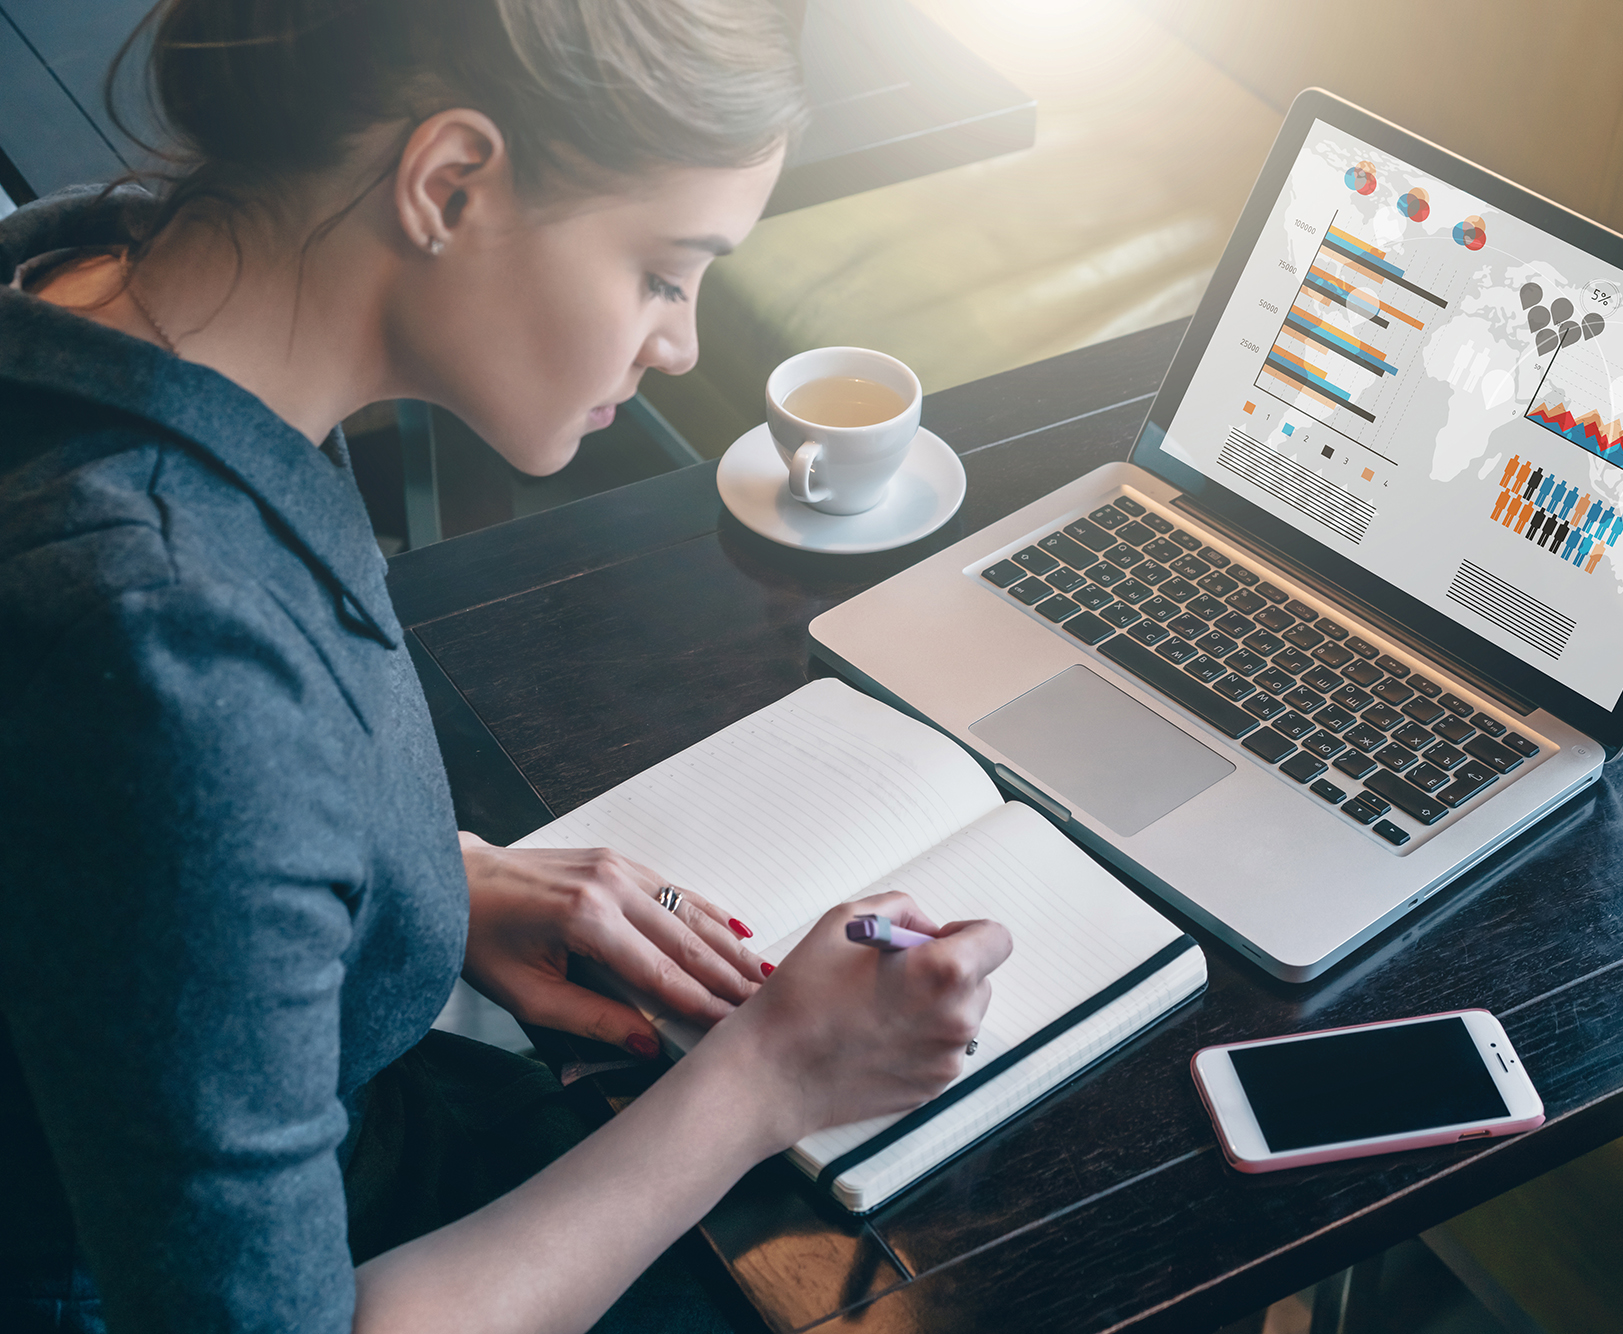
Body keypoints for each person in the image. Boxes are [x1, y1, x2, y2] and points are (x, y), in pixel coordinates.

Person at [0, 2, 1011, 1332]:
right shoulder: (173, 648)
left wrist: (416, 877)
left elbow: (84, 844)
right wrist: (768, 1078)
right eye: (663, 271)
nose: (684, 344)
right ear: (450, 182)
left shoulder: (94, 273)